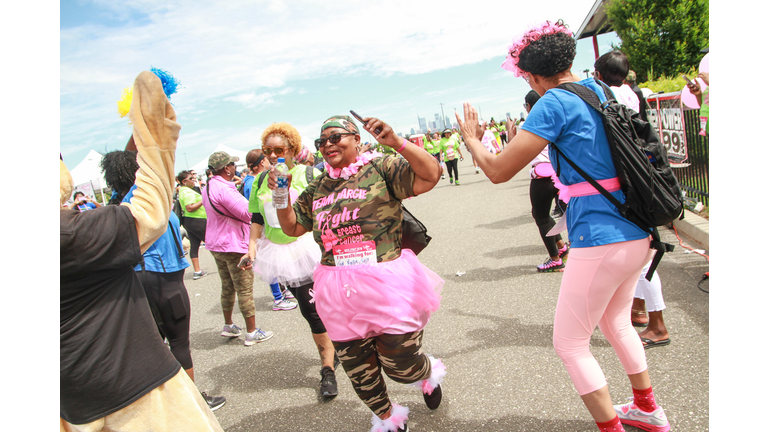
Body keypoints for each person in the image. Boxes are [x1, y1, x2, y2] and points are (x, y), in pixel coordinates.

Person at [456, 20, 670, 432]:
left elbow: (500, 171)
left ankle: (612, 427)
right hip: (638, 230)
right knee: (616, 322)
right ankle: (646, 407)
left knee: (570, 344)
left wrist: (472, 140)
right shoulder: (600, 90)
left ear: (533, 76)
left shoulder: (553, 102)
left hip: (600, 237)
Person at [60, 71, 224, 432]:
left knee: (166, 338)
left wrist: (136, 139)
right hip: (156, 303)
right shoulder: (118, 216)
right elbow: (150, 201)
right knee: (179, 340)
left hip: (79, 393)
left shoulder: (112, 208)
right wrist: (153, 134)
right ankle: (195, 392)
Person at [272, 114, 447, 432]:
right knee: (359, 372)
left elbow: (430, 174)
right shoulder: (318, 187)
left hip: (386, 285)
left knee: (400, 365)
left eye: (336, 137)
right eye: (321, 142)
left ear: (356, 139)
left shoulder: (381, 167)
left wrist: (396, 142)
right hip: (337, 293)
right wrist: (280, 193)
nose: (328, 145)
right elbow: (291, 226)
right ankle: (389, 419)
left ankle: (424, 374)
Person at [110, 160, 227, 411]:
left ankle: (167, 405)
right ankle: (192, 404)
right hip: (163, 278)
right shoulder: (144, 199)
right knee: (179, 343)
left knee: (157, 344)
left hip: (145, 277)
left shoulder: (125, 203)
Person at [245, 122, 340, 397]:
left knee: (326, 305)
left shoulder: (309, 174)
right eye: (267, 150)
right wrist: (251, 247)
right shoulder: (260, 181)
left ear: (292, 149)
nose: (273, 155)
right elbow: (257, 217)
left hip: (311, 248)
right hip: (283, 255)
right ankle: (330, 361)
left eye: (279, 149)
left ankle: (330, 364)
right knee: (310, 310)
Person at [202, 150, 274, 346]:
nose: (235, 167)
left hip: (216, 244)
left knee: (227, 286)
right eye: (233, 164)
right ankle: (251, 332)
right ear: (226, 168)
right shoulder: (225, 189)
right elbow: (246, 212)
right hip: (232, 244)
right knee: (244, 289)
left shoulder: (209, 185)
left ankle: (229, 325)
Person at [512, 90, 570, 272]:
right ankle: (561, 246)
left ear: (529, 107)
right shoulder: (554, 117)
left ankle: (555, 259)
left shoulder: (528, 124)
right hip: (557, 175)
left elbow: (515, 149)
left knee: (542, 217)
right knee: (540, 215)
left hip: (541, 176)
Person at [178, 170, 209, 279]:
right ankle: (225, 266)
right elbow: (189, 207)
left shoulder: (183, 190)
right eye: (191, 178)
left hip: (190, 221)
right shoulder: (187, 192)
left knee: (195, 245)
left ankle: (197, 271)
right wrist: (203, 200)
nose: (194, 180)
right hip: (197, 220)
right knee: (212, 243)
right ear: (184, 181)